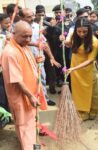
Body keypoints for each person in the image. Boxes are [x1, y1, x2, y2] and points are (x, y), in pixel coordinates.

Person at [1, 21, 47, 150]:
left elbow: (28, 62)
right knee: (24, 123)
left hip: (30, 92)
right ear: (14, 34)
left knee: (30, 119)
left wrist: (38, 60)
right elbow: (17, 80)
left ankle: (32, 140)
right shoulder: (10, 52)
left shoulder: (23, 46)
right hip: (22, 94)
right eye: (24, 36)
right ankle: (29, 147)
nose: (28, 39)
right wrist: (30, 96)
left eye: (30, 36)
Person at [60, 18, 98, 121]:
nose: (81, 34)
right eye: (79, 31)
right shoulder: (74, 36)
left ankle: (93, 110)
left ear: (89, 30)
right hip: (75, 69)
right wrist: (64, 40)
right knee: (78, 91)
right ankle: (82, 111)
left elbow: (90, 60)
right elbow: (69, 44)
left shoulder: (94, 41)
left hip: (88, 69)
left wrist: (73, 68)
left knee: (93, 91)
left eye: (85, 31)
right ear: (76, 30)